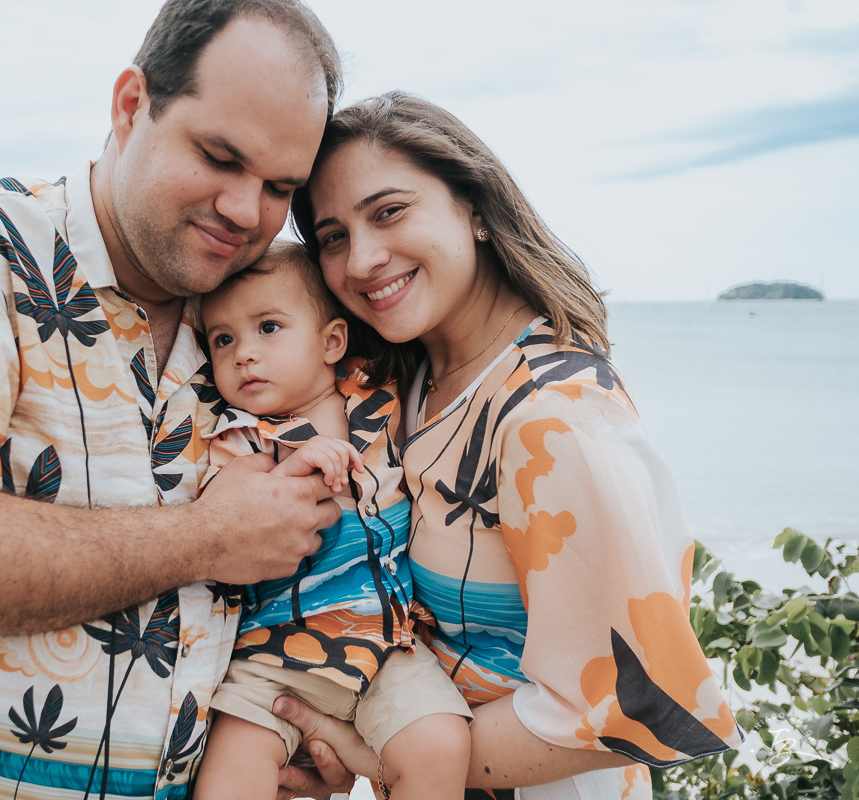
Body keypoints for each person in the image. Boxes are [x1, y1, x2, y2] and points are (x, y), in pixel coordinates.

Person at [0, 2, 355, 798]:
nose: (245, 210)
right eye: (219, 156)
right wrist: (204, 537)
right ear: (132, 106)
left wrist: (300, 729)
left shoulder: (253, 325)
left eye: (279, 186)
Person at [272, 91, 745, 799]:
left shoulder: (551, 418)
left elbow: (645, 705)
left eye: (390, 211)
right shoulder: (409, 381)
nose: (363, 258)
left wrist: (371, 755)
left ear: (475, 209)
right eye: (333, 235)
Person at [191, 241, 472, 799]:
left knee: (442, 744)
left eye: (268, 327)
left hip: (387, 646)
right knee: (231, 775)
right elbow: (227, 526)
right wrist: (293, 468)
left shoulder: (382, 403)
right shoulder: (238, 438)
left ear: (332, 342)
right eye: (224, 339)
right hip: (269, 658)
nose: (244, 352)